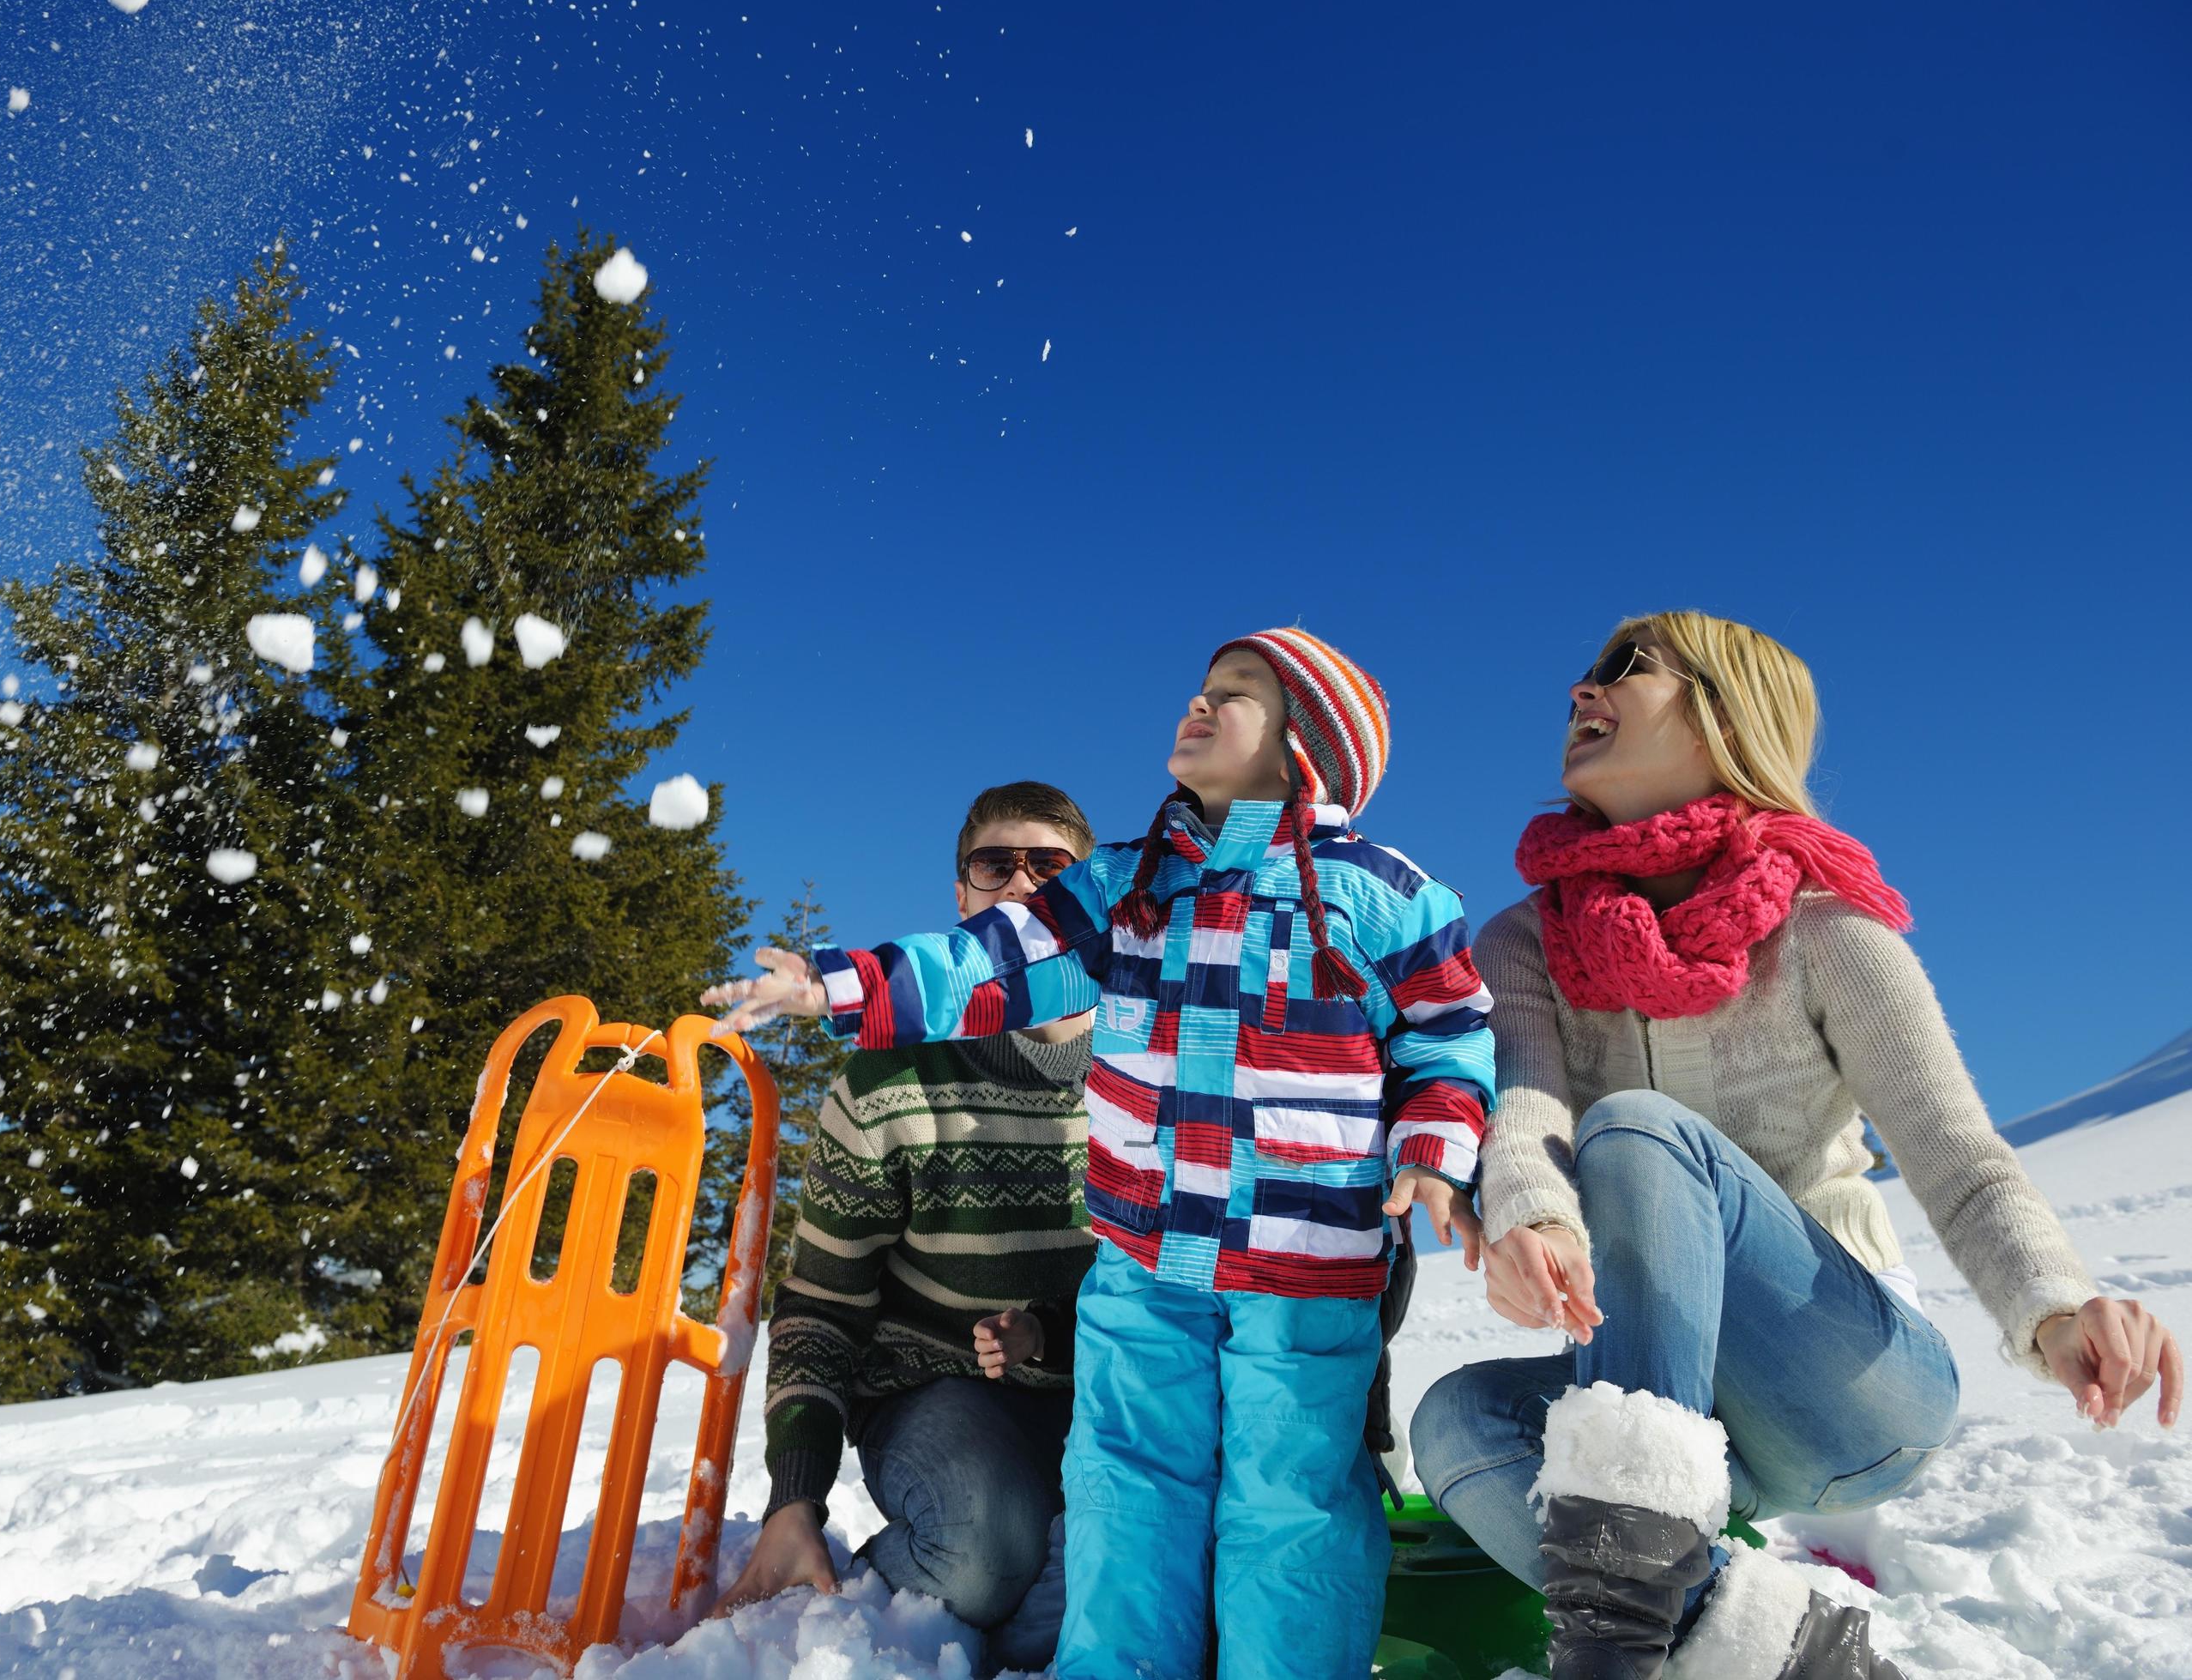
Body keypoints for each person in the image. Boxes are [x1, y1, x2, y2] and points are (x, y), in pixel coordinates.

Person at [705, 628, 1495, 1680]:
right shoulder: (1125, 887)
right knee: (1130, 1483)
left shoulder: (1389, 896)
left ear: (1307, 743)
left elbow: (1446, 1037)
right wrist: (834, 986)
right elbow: (988, 959)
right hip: (1145, 1267)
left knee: (1289, 1492)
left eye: (1238, 694)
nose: (1200, 705)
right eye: (1203, 687)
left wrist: (1434, 1149)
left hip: (1301, 1261)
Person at [1408, 612, 2183, 1680]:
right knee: (1455, 1420)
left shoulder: (1826, 930)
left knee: (1638, 1130)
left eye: (1626, 669)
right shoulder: (1522, 944)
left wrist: (2052, 1305)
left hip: (1846, 1389)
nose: (1582, 690)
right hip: (1668, 1397)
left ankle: (1610, 1657)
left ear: (1725, 716)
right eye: (1584, 673)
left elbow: (1956, 1156)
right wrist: (1530, 1213)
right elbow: (1527, 1115)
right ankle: (1785, 1651)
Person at [709, 781, 1099, 1674]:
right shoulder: (891, 1076)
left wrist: (1052, 1335)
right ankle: (860, 1629)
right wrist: (795, 1497)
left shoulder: (1150, 1070)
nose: (1018, 883)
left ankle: (983, 1637)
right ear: (961, 899)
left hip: (1110, 1386)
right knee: (987, 1548)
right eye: (993, 864)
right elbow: (820, 1301)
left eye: (1048, 866)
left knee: (1127, 1547)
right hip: (936, 1388)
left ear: (1084, 900)